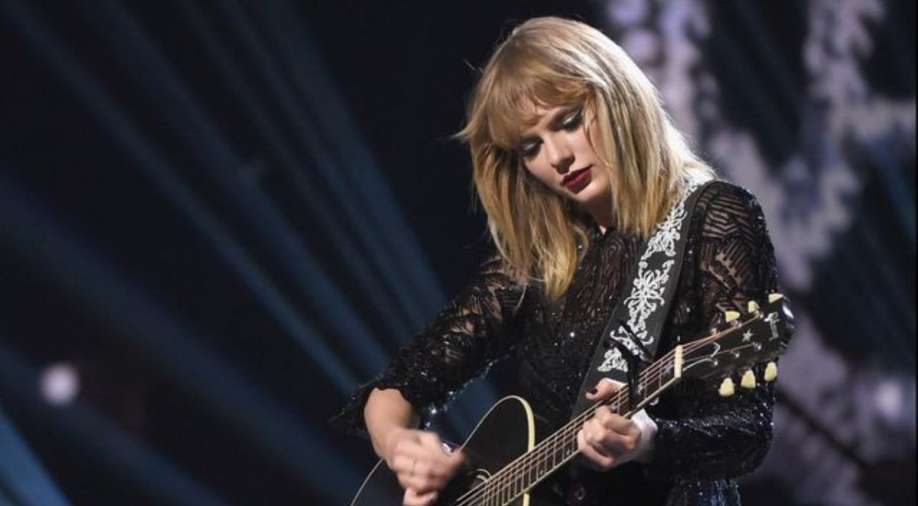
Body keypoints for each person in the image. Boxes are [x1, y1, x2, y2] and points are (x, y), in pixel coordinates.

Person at [332, 16, 783, 506]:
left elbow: (747, 432)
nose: (558, 157)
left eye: (568, 121)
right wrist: (404, 448)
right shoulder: (542, 259)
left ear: (617, 95)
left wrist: (647, 440)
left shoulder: (714, 217)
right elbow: (397, 389)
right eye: (531, 147)